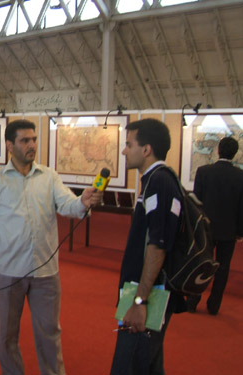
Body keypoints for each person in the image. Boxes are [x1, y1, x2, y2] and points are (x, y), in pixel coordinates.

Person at [0, 119, 103, 375]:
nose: (31, 145)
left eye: (33, 139)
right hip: (8, 272)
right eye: (25, 140)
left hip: (46, 273)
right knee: (8, 336)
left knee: (49, 334)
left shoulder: (49, 176)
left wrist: (82, 202)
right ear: (10, 145)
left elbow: (67, 204)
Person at [110, 118, 186, 375]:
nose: (124, 150)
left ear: (146, 149)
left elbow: (158, 246)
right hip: (145, 292)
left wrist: (139, 302)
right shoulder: (154, 181)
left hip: (150, 295)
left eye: (128, 144)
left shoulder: (159, 183)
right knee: (149, 365)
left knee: (128, 365)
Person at [186, 136, 243, 315]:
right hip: (229, 230)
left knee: (201, 263)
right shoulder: (240, 176)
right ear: (235, 154)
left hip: (205, 229)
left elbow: (196, 203)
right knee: (223, 268)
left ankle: (192, 302)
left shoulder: (203, 171)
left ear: (218, 150)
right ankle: (214, 306)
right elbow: (242, 207)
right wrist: (240, 232)